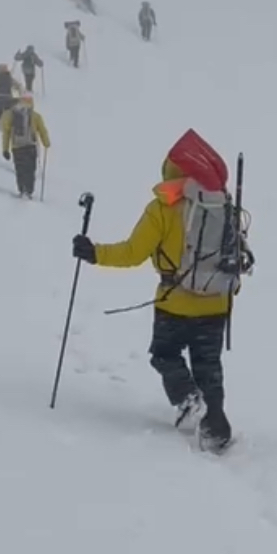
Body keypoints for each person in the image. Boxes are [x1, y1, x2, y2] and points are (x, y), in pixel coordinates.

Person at [72, 144, 253, 450]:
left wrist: (94, 253)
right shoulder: (223, 208)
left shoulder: (162, 208)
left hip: (174, 302)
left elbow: (132, 253)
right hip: (217, 304)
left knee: (165, 355)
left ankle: (187, 398)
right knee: (208, 366)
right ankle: (216, 429)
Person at [0, 93, 50, 199]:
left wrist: (5, 149)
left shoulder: (11, 114)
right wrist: (46, 143)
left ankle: (22, 189)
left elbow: (6, 132)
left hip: (17, 147)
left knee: (20, 169)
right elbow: (42, 130)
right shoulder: (35, 115)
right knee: (30, 169)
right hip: (30, 147)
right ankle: (29, 190)